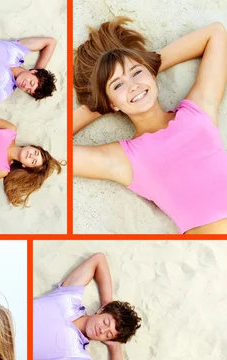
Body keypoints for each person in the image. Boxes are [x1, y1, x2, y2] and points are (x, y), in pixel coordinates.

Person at [73, 18, 227, 234]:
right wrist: (100, 104)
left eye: (136, 72)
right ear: (111, 104)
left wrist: (149, 64)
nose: (133, 85)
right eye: (117, 84)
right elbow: (54, 148)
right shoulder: (125, 159)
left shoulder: (197, 111)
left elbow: (216, 33)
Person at [33, 253, 141, 360]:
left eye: (108, 335)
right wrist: (108, 302)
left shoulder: (75, 356)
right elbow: (98, 259)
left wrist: (115, 347)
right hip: (1, 310)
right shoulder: (68, 298)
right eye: (106, 322)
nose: (102, 330)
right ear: (101, 310)